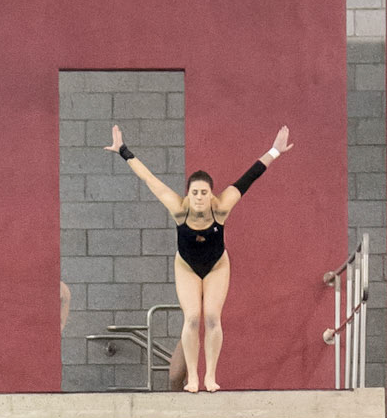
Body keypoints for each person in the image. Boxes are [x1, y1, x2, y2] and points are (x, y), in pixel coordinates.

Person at [105, 123, 293, 392]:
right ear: (188, 194)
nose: (200, 197)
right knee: (192, 317)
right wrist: (123, 150)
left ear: (211, 194)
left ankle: (210, 377)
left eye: (204, 192)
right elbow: (150, 180)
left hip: (217, 265)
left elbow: (250, 176)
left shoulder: (222, 206)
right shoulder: (178, 209)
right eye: (195, 192)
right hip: (186, 266)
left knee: (213, 317)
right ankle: (193, 376)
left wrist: (275, 150)